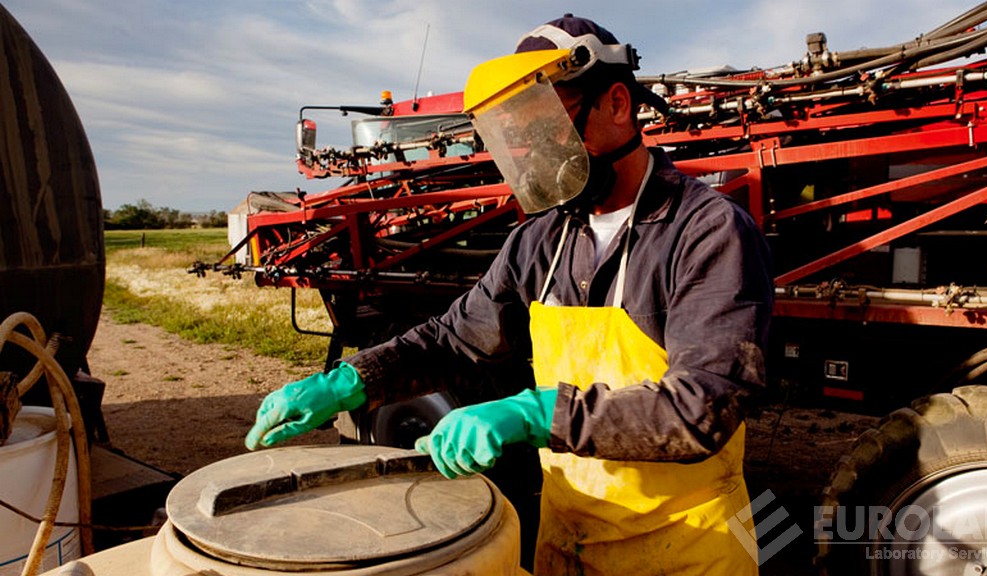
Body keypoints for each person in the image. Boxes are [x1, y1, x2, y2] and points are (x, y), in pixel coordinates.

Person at [246, 14, 773, 576]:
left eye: (548, 125)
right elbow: (453, 340)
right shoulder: (542, 239)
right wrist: (351, 382)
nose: (530, 152)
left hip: (684, 553)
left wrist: (534, 412)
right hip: (569, 542)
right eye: (517, 133)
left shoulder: (707, 232)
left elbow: (701, 408)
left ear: (617, 104)